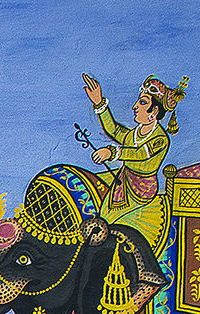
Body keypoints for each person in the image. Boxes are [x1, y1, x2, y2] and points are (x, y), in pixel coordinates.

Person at [80, 72, 187, 254]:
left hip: (141, 190)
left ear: (154, 112)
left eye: (142, 102)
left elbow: (139, 154)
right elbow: (114, 130)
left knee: (108, 222)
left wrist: (112, 152)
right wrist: (99, 102)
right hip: (123, 180)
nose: (135, 106)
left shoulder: (160, 139)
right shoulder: (134, 134)